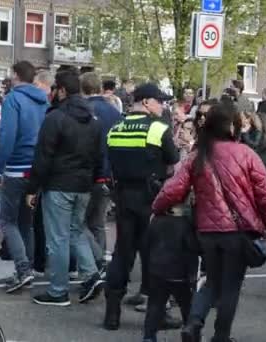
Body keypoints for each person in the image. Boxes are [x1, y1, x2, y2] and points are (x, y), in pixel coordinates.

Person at [152, 102, 266, 342]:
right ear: (233, 126)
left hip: (207, 231)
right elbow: (264, 193)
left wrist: (156, 208)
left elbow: (173, 189)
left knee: (211, 282)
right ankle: (221, 336)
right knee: (230, 286)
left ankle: (194, 322)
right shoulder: (246, 154)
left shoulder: (199, 155)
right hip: (237, 233)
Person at [103, 83, 180, 331]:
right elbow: (173, 160)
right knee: (156, 256)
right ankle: (157, 315)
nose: (163, 105)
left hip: (123, 198)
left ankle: (112, 314)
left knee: (122, 254)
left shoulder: (116, 128)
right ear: (146, 102)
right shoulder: (158, 128)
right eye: (159, 101)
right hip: (151, 200)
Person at [25, 69, 104, 306]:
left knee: (57, 238)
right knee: (76, 231)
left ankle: (58, 290)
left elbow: (43, 156)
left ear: (60, 90)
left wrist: (32, 188)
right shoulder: (93, 120)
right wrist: (94, 181)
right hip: (83, 185)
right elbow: (99, 155)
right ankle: (91, 275)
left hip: (59, 184)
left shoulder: (55, 118)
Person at [0, 61, 48, 293]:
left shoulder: (13, 100)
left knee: (8, 221)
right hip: (35, 167)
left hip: (15, 166)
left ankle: (22, 270)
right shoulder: (44, 101)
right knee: (27, 222)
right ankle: (30, 268)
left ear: (16, 75)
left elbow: (7, 136)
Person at [81, 72, 121, 274]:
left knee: (78, 223)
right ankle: (100, 262)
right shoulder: (114, 112)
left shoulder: (84, 110)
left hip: (87, 174)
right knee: (98, 222)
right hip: (108, 173)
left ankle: (90, 260)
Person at [142, 205, 198, 342]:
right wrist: (193, 274)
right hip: (180, 274)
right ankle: (190, 335)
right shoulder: (186, 224)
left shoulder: (156, 221)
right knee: (187, 306)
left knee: (155, 305)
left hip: (157, 271)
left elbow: (145, 247)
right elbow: (192, 250)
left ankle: (149, 337)